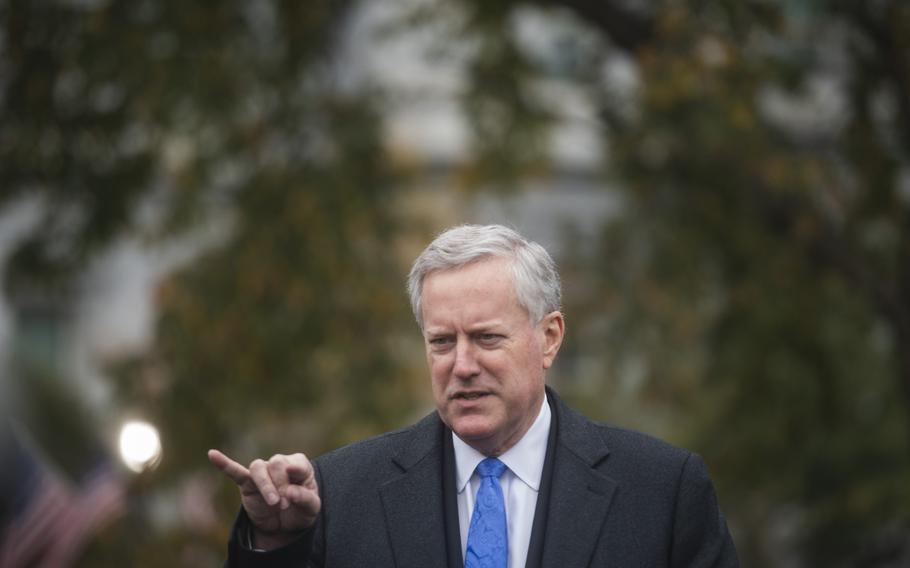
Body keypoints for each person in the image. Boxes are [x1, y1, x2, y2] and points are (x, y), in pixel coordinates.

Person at [209, 224, 739, 567]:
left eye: (486, 338)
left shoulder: (661, 492)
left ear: (549, 337)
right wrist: (276, 545)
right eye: (442, 342)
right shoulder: (341, 493)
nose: (462, 366)